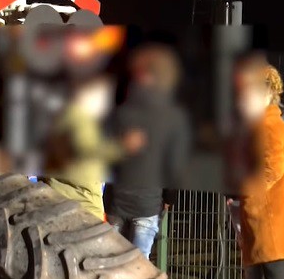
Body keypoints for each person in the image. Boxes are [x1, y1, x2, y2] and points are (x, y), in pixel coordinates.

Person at [105, 46, 192, 259]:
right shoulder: (174, 118)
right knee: (137, 267)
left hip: (117, 200)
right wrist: (168, 199)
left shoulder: (122, 113)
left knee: (110, 265)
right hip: (148, 203)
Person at [233, 60, 284, 279]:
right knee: (271, 272)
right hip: (267, 212)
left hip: (269, 212)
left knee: (274, 272)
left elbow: (270, 170)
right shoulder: (266, 123)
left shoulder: (270, 125)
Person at [41, 74, 145, 220]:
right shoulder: (79, 118)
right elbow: (85, 147)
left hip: (64, 198)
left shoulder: (62, 117)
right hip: (81, 202)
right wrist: (122, 147)